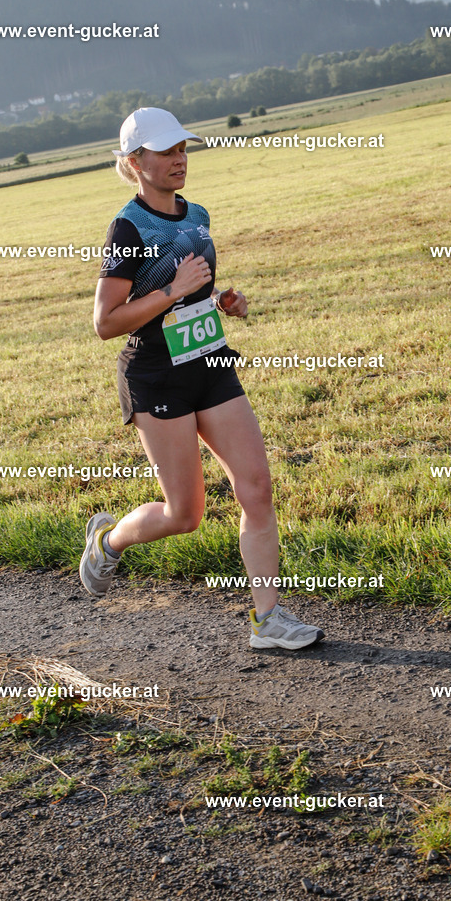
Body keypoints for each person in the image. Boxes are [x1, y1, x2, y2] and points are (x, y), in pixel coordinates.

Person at [79, 107, 324, 651]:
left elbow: (193, 292)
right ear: (135, 162)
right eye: (165, 151)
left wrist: (221, 300)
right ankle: (109, 540)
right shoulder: (128, 227)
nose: (179, 159)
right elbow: (106, 322)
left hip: (209, 364)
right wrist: (173, 289)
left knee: (256, 488)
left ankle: (267, 620)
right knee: (185, 514)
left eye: (182, 148)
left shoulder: (198, 215)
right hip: (157, 376)